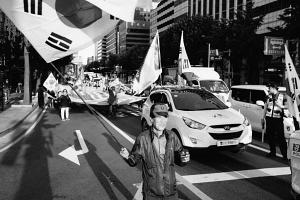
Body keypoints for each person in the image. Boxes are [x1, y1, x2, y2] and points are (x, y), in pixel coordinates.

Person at [120, 103, 190, 200]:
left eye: (165, 117)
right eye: (159, 117)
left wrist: (184, 159)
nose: (163, 121)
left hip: (171, 193)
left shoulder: (172, 136)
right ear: (151, 119)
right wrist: (127, 156)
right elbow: (133, 161)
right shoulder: (143, 138)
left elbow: (180, 159)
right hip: (151, 194)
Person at [261, 83, 287, 160]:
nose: (269, 90)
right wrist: (263, 117)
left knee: (281, 138)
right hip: (269, 118)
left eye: (269, 88)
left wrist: (280, 106)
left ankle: (285, 155)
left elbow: (287, 106)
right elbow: (265, 107)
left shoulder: (282, 96)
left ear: (273, 88)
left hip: (278, 119)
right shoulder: (268, 96)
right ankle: (272, 152)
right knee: (270, 136)